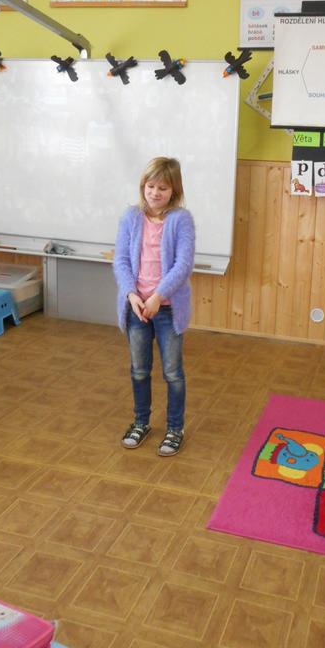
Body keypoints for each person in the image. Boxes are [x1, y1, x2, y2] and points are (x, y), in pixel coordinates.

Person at [113, 157, 195, 456]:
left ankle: (175, 428)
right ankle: (141, 422)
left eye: (162, 188)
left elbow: (183, 264)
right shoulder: (131, 216)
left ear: (174, 190)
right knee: (139, 370)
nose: (155, 193)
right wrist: (131, 295)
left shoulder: (181, 219)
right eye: (150, 186)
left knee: (172, 372)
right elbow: (121, 259)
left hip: (167, 308)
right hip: (137, 309)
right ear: (143, 186)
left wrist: (158, 297)